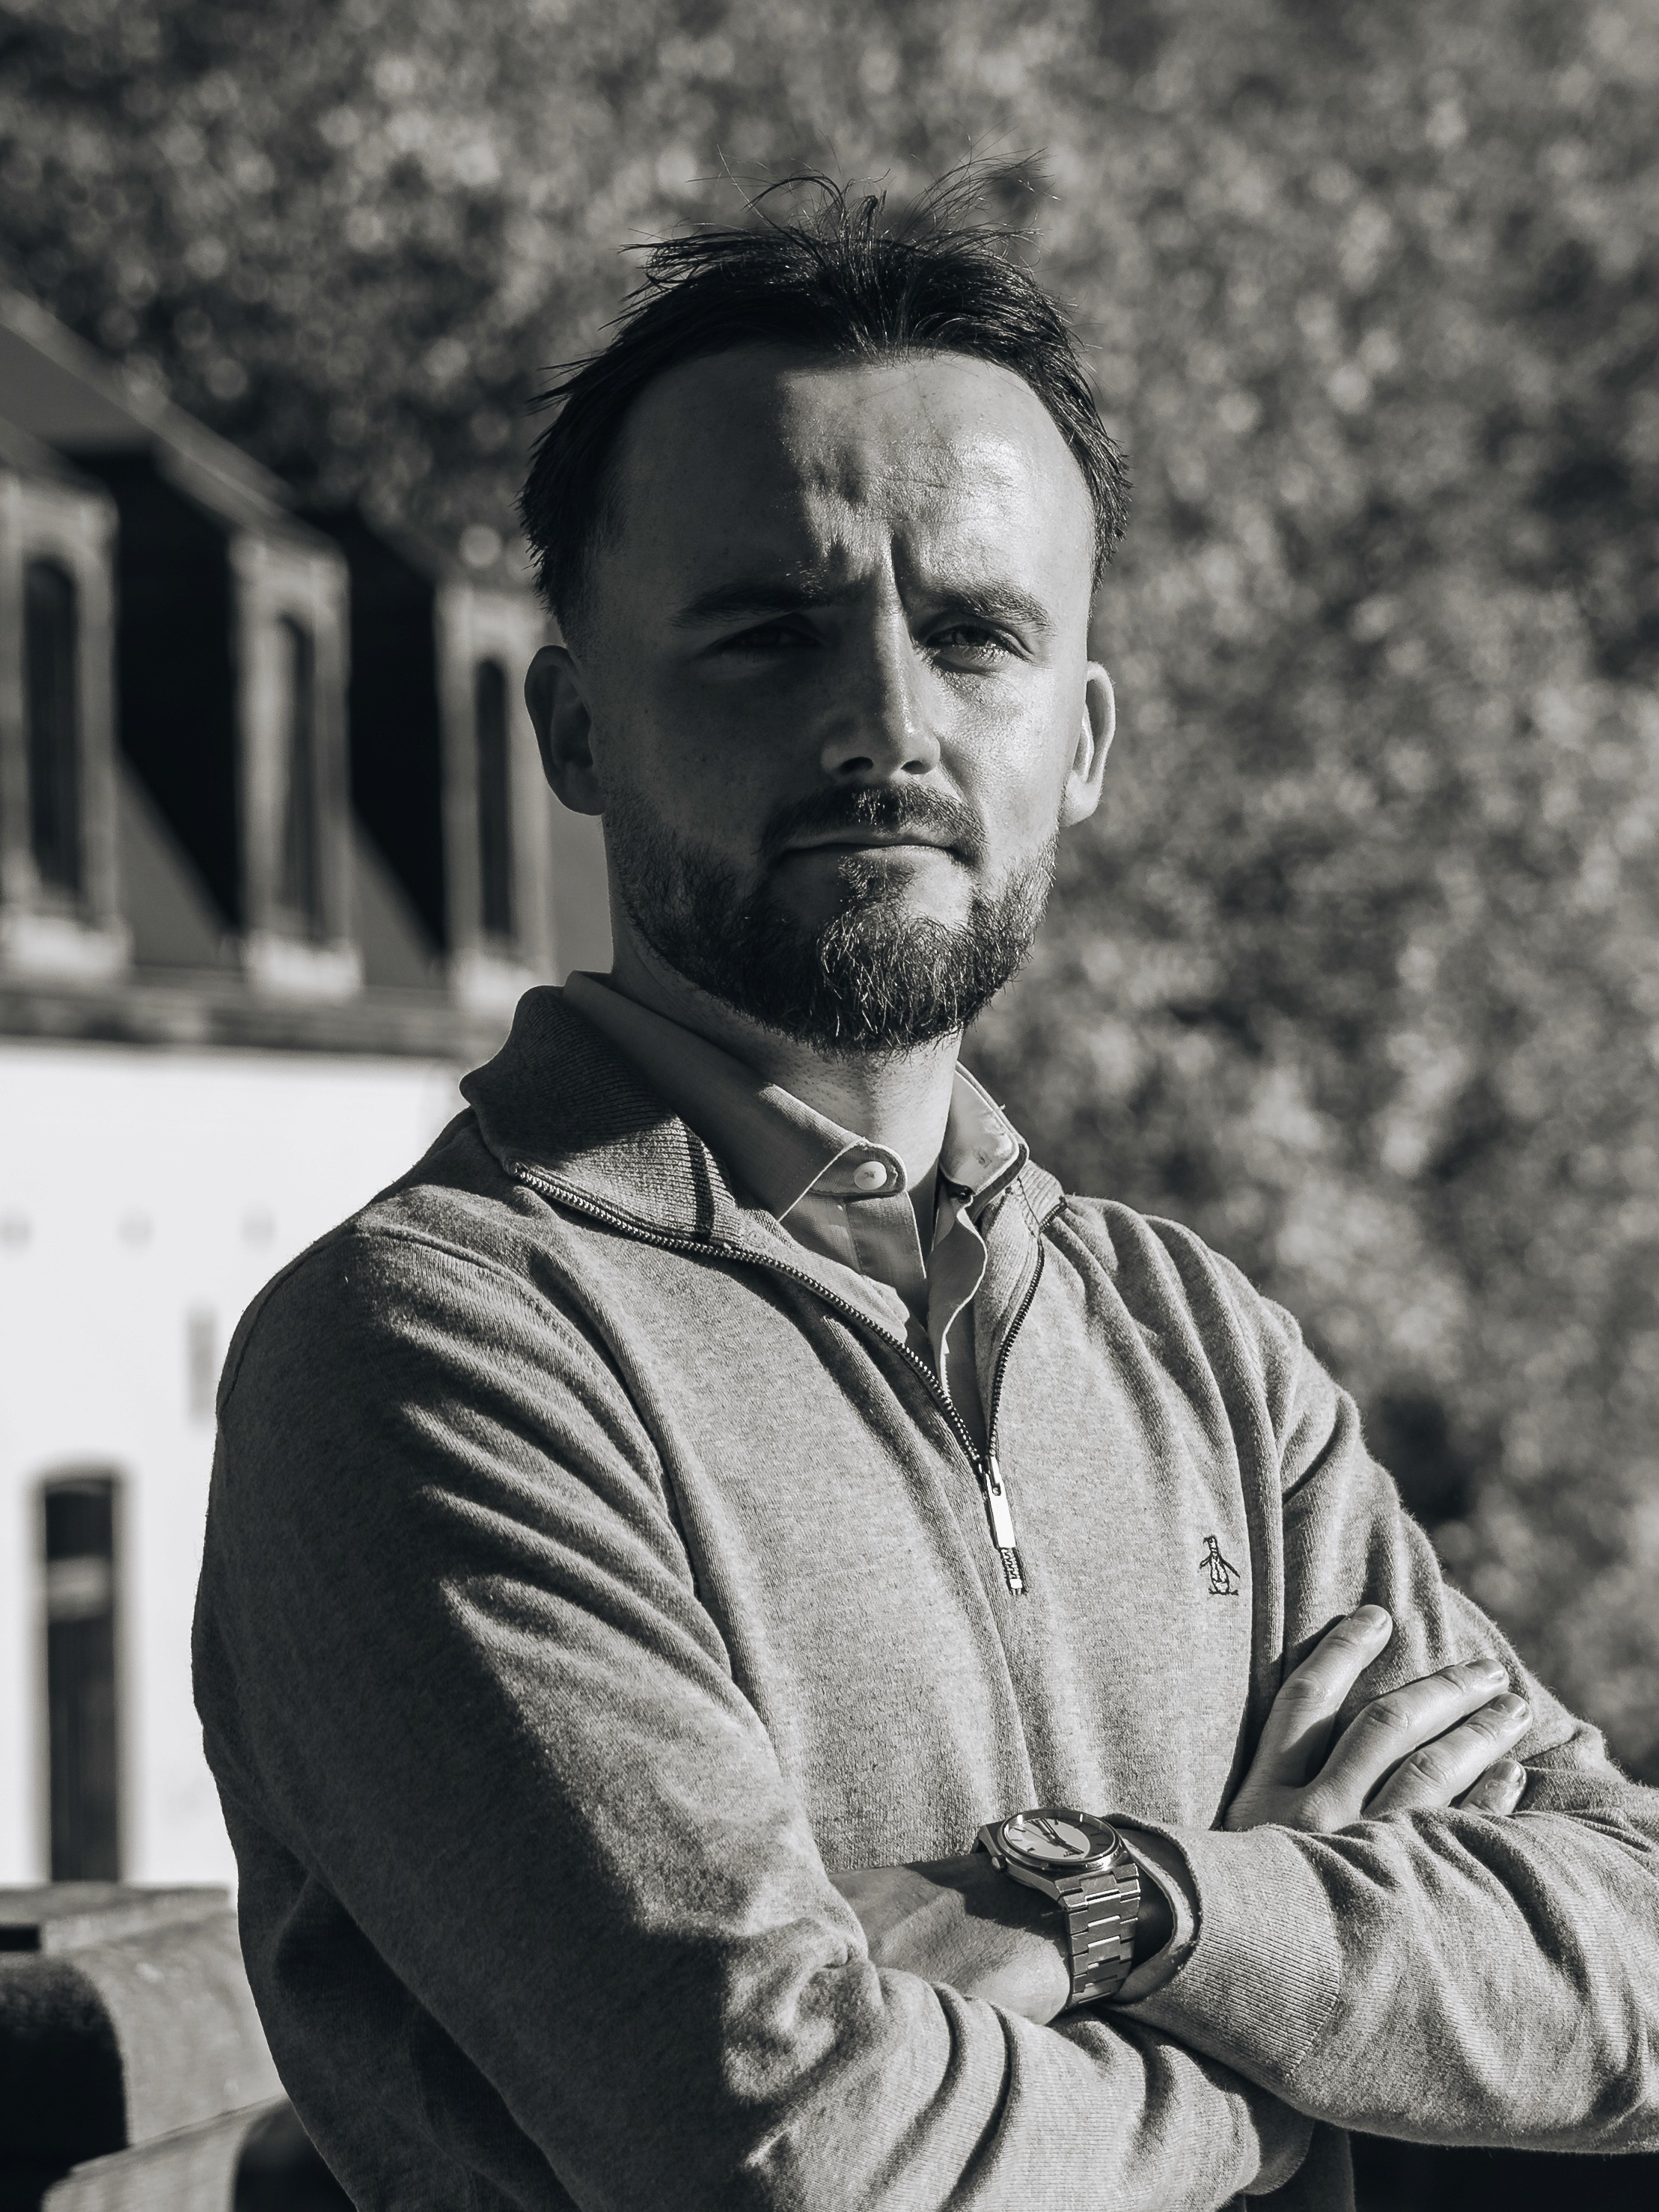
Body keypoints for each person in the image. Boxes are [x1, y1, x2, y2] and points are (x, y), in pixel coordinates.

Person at [194, 177, 1659, 2211]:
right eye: (765, 630)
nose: (884, 719)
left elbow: (1637, 1945)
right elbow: (805, 2156)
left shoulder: (1195, 1349)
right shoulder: (433, 1354)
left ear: (1081, 739)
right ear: (575, 725)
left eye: (971, 633)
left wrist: (1137, 1909)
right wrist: (1303, 2059)